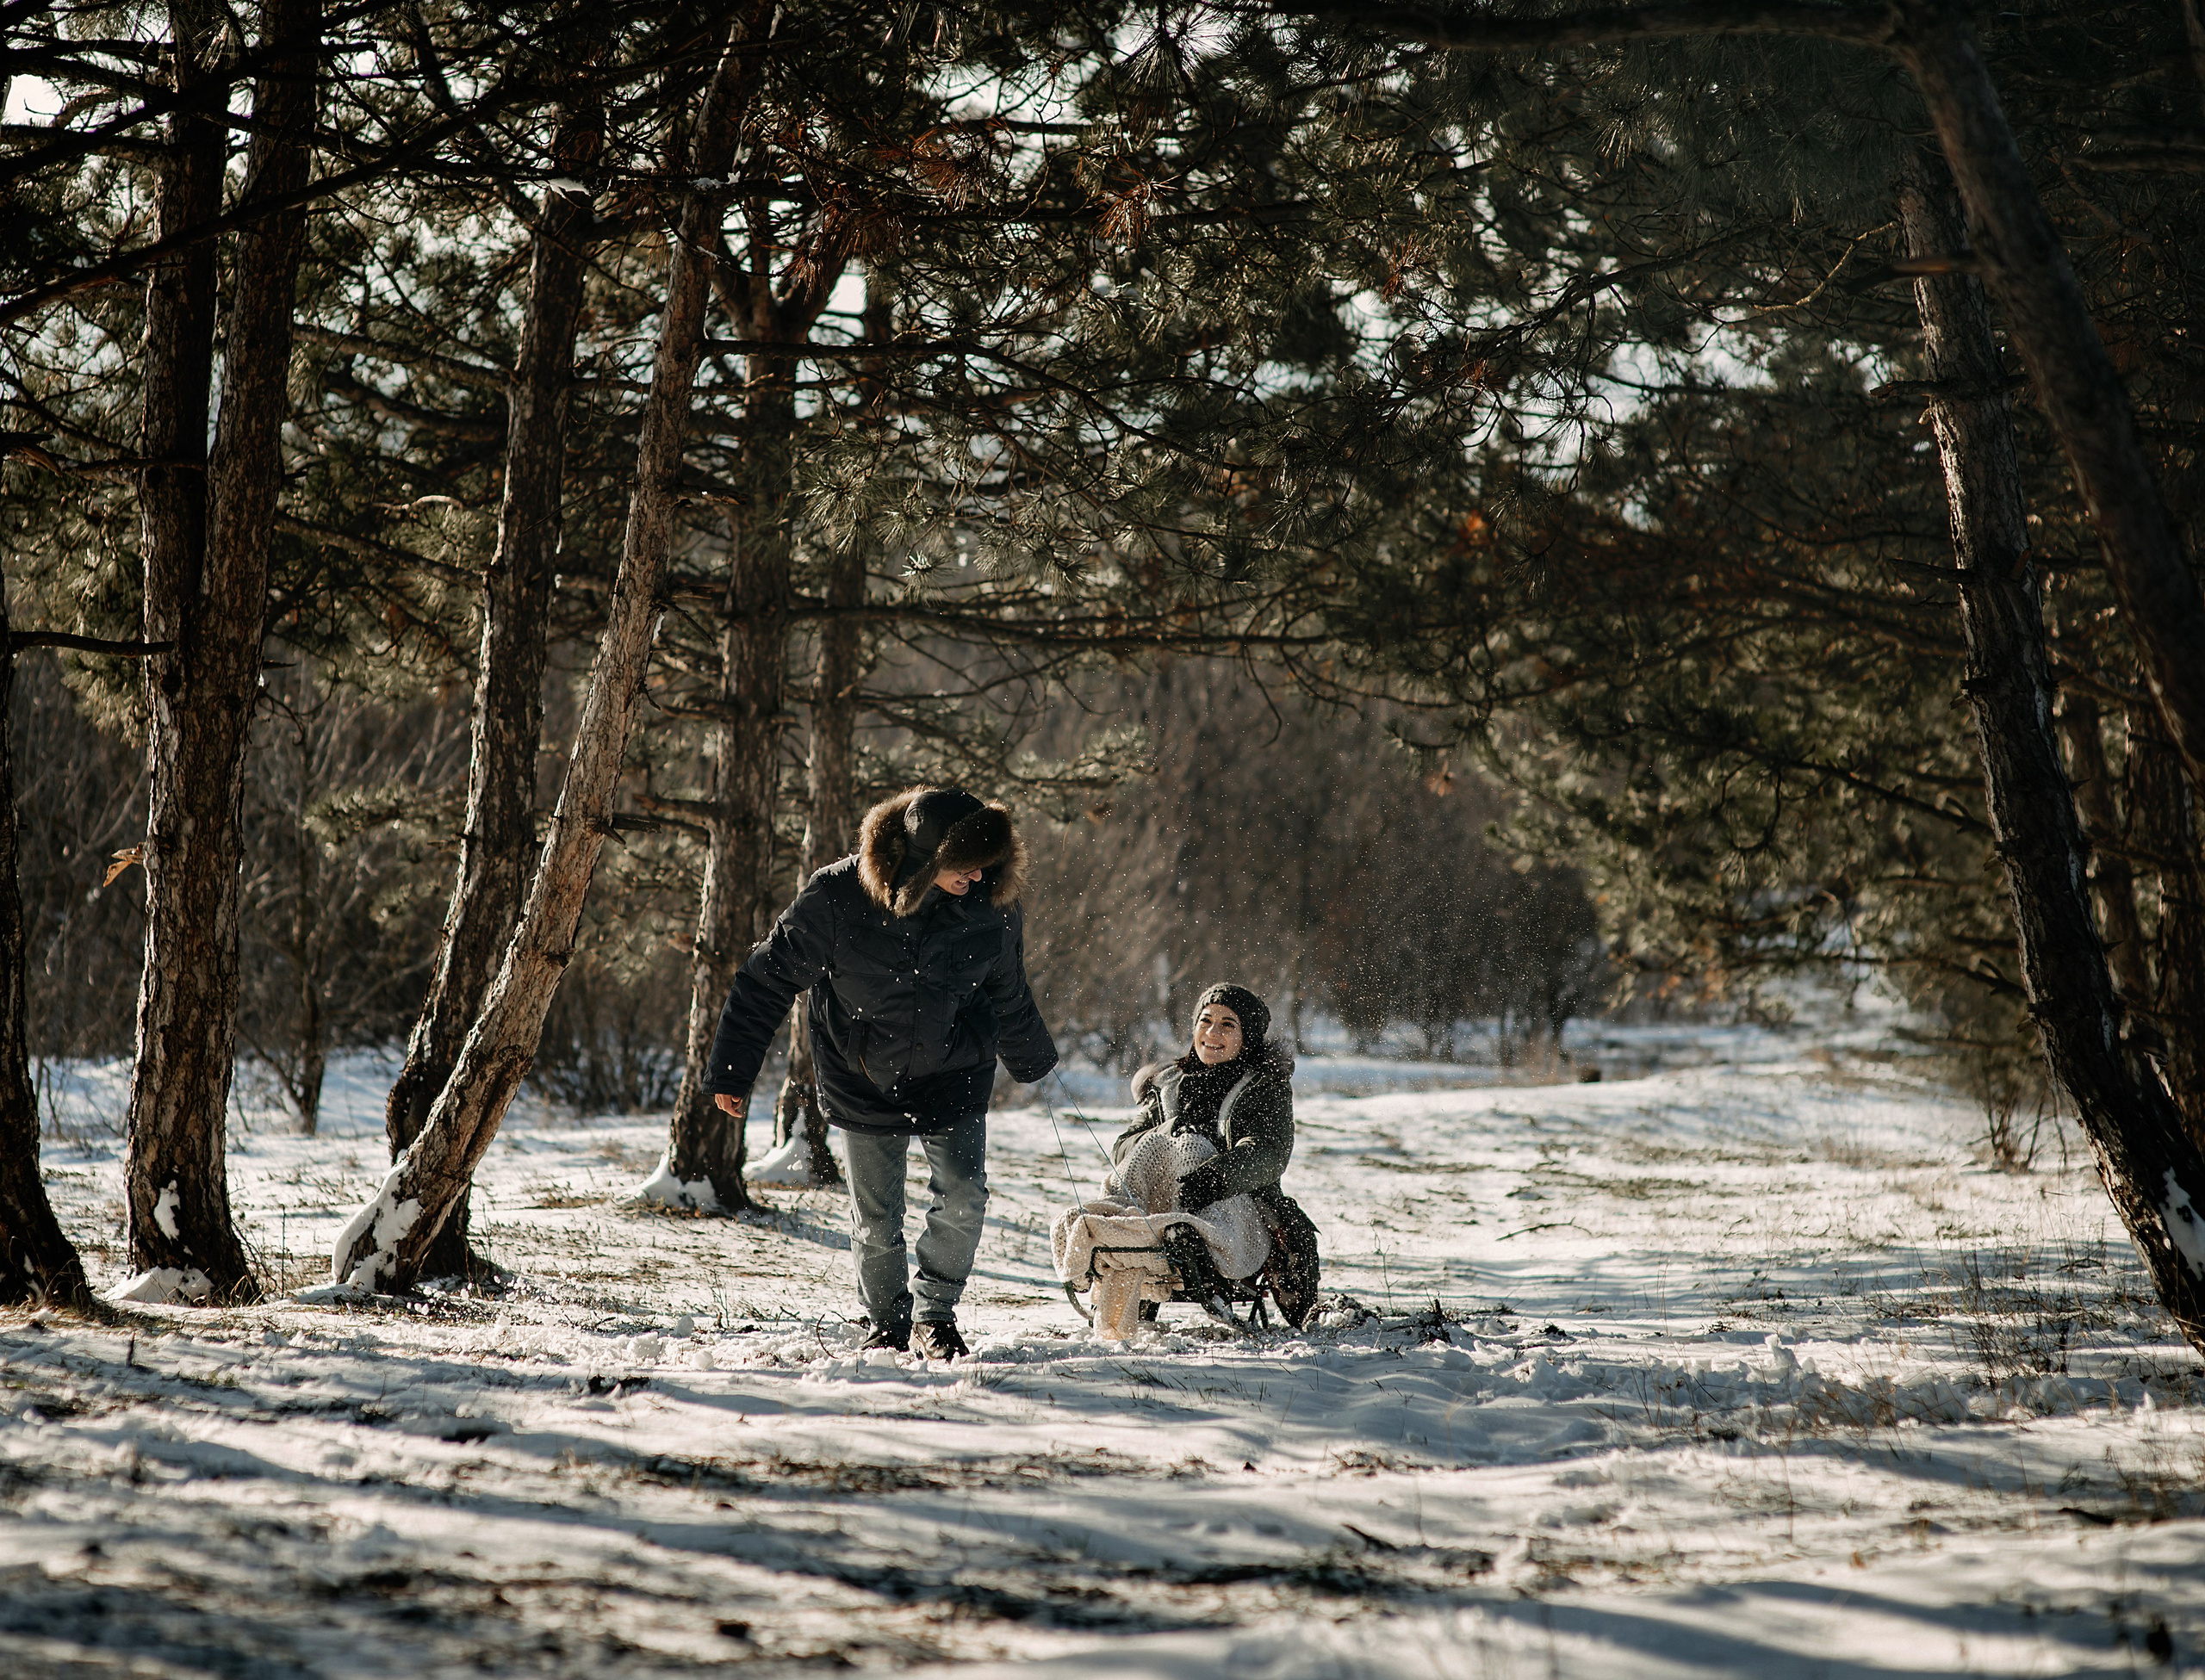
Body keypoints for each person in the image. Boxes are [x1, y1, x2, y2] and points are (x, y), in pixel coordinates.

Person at [705, 787, 1059, 1360]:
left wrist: (1033, 1058)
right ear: (924, 858)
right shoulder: (837, 895)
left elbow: (1007, 988)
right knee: (876, 1220)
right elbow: (765, 978)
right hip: (862, 1071)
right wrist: (732, 1067)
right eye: (962, 865)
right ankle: (889, 1322)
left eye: (982, 864)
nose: (975, 875)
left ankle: (935, 1315)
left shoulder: (992, 900)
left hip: (956, 1068)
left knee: (965, 1197)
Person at [1112, 983, 1321, 1327]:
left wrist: (1211, 1178)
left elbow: (1267, 1152)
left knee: (1197, 1151)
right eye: (1205, 1021)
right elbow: (1125, 1145)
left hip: (1234, 1201)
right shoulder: (1168, 1085)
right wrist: (1170, 1133)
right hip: (1162, 1199)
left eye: (1228, 1024)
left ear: (1248, 1036)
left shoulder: (1264, 1087)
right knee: (1161, 1146)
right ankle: (1124, 1241)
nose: (1212, 1032)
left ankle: (1196, 1247)